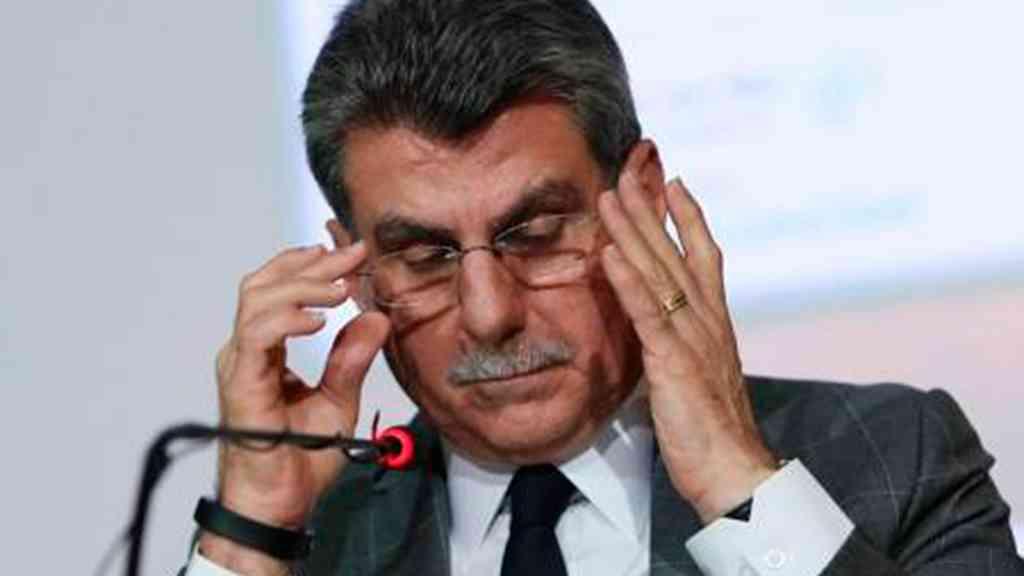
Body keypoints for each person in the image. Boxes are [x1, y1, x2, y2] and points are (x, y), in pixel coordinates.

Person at [182, 1, 1024, 575]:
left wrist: (736, 482)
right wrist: (252, 536)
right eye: (427, 256)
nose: (490, 314)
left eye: (535, 234)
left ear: (641, 197)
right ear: (354, 268)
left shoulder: (890, 458)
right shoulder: (309, 544)